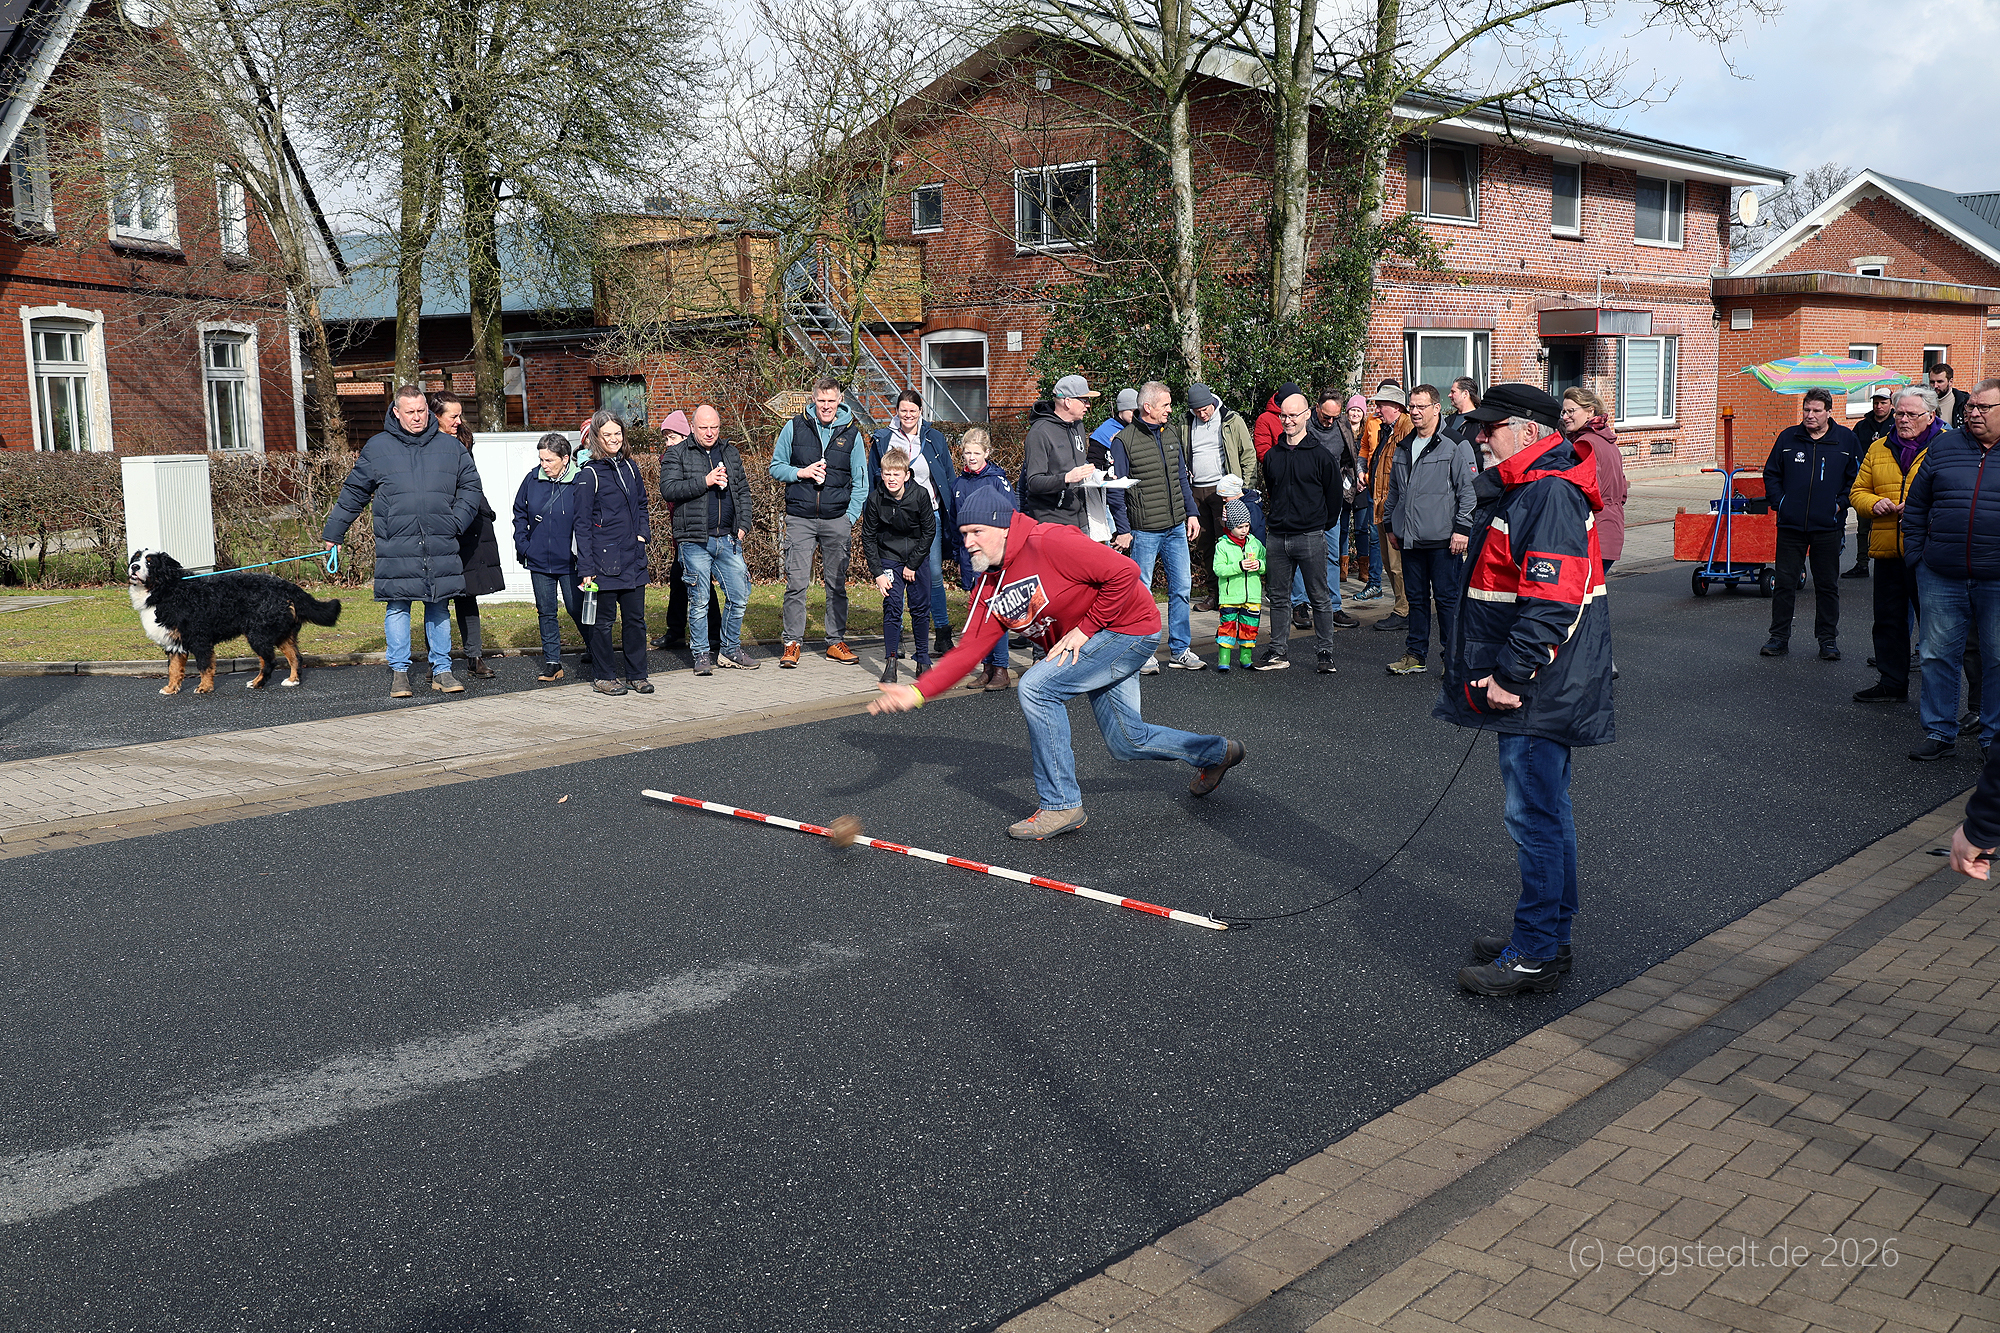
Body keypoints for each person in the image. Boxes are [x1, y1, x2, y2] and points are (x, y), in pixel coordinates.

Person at [867, 489, 1244, 841]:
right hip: (1097, 642)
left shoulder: (1049, 541)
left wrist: (1085, 629)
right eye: (964, 534)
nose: (968, 543)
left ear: (1003, 526)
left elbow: (1124, 573)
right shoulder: (988, 588)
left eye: (977, 532)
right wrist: (917, 692)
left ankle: (1061, 805)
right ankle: (1217, 753)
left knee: (1036, 687)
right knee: (1127, 741)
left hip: (1128, 629)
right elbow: (969, 651)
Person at [1441, 383, 1613, 997]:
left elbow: (1552, 601)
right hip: (1543, 682)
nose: (1481, 436)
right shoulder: (1532, 486)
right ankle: (1548, 937)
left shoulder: (1548, 492)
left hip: (1536, 687)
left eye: (1492, 427)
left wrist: (1511, 675)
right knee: (1547, 813)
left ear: (1532, 431)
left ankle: (1535, 950)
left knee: (1533, 818)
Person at [321, 385, 486, 698]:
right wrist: (334, 533)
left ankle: (442, 670)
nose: (417, 417)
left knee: (438, 605)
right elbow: (355, 492)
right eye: (410, 412)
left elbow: (471, 486)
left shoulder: (450, 447)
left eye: (421, 410)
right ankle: (399, 673)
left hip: (439, 541)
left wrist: (456, 522)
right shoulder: (378, 447)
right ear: (396, 412)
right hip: (396, 543)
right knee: (398, 607)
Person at [1899, 379, 2000, 760]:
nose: (1973, 413)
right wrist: (1917, 557)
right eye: (1970, 406)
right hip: (1941, 573)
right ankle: (1940, 732)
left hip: (1996, 577)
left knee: (1997, 658)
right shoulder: (1944, 446)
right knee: (1936, 655)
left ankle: (1993, 739)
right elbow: (1917, 505)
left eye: (1983, 408)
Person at [1851, 386, 1945, 705]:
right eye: (1899, 413)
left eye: (1911, 414)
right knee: (1888, 620)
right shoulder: (1879, 447)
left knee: (1934, 627)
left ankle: (1938, 698)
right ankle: (1892, 683)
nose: (1902, 419)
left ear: (1930, 416)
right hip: (1888, 548)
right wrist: (1873, 503)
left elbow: (1956, 495)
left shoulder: (1947, 446)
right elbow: (1858, 491)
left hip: (1929, 552)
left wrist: (1921, 509)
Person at [770, 378, 869, 667]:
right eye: (821, 400)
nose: (826, 406)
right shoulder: (794, 426)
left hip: (836, 519)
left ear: (839, 401)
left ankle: (835, 641)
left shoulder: (852, 433)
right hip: (800, 518)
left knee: (836, 585)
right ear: (813, 399)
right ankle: (792, 643)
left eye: (831, 400)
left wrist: (849, 518)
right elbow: (776, 467)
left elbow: (861, 481)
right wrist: (801, 473)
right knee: (796, 584)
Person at [1760, 389, 1863, 661]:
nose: (1810, 415)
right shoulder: (1788, 438)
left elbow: (1858, 478)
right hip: (1791, 526)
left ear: (1829, 411)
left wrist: (1839, 504)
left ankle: (1827, 640)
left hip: (1828, 526)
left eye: (1816, 410)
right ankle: (1779, 637)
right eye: (1806, 410)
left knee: (1827, 585)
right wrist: (1781, 503)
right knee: (1785, 583)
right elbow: (1771, 474)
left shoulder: (1846, 440)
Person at [1383, 384, 1475, 676]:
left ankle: (1452, 658)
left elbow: (1469, 491)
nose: (1415, 411)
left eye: (1421, 406)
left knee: (1447, 601)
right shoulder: (1404, 445)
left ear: (1436, 408)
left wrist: (1462, 529)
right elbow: (1394, 491)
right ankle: (1415, 655)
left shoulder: (1455, 444)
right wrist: (1389, 525)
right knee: (1417, 600)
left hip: (1444, 540)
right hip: (1409, 538)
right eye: (1412, 406)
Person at [660, 404, 756, 676]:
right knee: (700, 600)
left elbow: (743, 490)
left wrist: (743, 524)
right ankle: (701, 654)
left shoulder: (730, 452)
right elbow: (669, 489)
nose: (710, 432)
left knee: (739, 595)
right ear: (692, 427)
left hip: (728, 538)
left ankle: (730, 649)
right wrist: (705, 480)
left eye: (714, 427)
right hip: (694, 540)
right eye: (704, 427)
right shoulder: (677, 453)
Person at [1254, 390, 1342, 675]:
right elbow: (1273, 489)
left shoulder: (1321, 456)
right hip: (1278, 536)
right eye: (1284, 415)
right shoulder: (1272, 456)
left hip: (1310, 536)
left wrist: (1319, 525)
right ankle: (1278, 651)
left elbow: (1334, 498)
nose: (1288, 420)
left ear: (1307, 415)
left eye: (1293, 415)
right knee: (1279, 598)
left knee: (1319, 597)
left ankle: (1325, 651)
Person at [1118, 381, 1203, 673]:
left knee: (1182, 588)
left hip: (1176, 526)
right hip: (1144, 529)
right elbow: (1117, 491)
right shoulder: (1124, 441)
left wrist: (1191, 513)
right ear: (1148, 407)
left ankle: (1180, 650)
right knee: (1142, 593)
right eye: (1165, 405)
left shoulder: (1171, 433)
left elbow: (1181, 478)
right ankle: (1144, 653)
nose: (1169, 410)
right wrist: (1124, 529)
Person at [868, 390, 958, 655]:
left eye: (913, 411)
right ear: (896, 411)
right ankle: (897, 638)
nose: (908, 415)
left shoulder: (934, 438)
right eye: (903, 410)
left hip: (929, 514)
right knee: (894, 578)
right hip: (892, 518)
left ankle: (942, 633)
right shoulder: (883, 438)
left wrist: (954, 509)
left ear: (921, 411)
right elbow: (874, 478)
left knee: (933, 574)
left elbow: (948, 475)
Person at [426, 391, 505, 681]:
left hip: (468, 525)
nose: (459, 421)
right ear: (436, 417)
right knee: (436, 596)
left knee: (467, 593)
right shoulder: (422, 444)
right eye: (453, 416)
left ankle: (474, 656)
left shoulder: (463, 442)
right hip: (438, 525)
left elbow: (471, 485)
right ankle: (437, 662)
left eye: (461, 415)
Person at [576, 409, 653, 695]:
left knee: (635, 621)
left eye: (617, 433)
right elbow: (582, 524)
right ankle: (604, 676)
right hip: (602, 563)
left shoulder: (631, 467)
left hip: (633, 558)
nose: (613, 439)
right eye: (607, 434)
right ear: (596, 437)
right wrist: (586, 568)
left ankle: (637, 675)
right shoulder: (589, 474)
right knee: (603, 623)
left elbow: (642, 504)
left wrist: (642, 535)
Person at [512, 431, 589, 682]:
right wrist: (524, 544)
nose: (544, 465)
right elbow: (519, 512)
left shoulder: (581, 480)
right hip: (538, 560)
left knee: (576, 608)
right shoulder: (532, 479)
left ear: (565, 458)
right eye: (541, 459)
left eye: (549, 460)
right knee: (546, 612)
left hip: (570, 561)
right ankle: (552, 662)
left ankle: (596, 649)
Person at [862, 447, 938, 685]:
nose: (892, 479)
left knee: (920, 608)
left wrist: (913, 564)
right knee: (893, 606)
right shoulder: (875, 499)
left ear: (907, 475)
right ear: (882, 474)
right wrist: (877, 573)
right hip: (889, 557)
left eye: (896, 474)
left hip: (917, 557)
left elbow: (929, 531)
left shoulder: (920, 495)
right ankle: (891, 660)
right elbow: (868, 537)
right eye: (887, 474)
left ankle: (923, 659)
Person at [949, 427, 1016, 691]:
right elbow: (954, 524)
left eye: (976, 453)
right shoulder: (959, 484)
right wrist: (958, 556)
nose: (972, 457)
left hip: (993, 558)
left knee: (996, 612)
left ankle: (1001, 668)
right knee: (978, 614)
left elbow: (1012, 517)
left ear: (987, 453)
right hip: (970, 558)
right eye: (967, 453)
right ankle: (986, 668)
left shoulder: (997, 481)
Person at [1184, 381, 1258, 611]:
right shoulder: (1186, 423)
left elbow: (1248, 454)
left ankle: (1232, 594)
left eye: (1205, 409)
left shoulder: (1231, 420)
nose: (1202, 414)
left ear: (1212, 403)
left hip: (1224, 492)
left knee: (1227, 541)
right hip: (1196, 491)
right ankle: (1213, 594)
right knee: (1204, 544)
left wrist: (1244, 490)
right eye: (1197, 411)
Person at [654, 408, 720, 656]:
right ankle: (677, 630)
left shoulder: (695, 460)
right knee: (679, 581)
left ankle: (713, 633)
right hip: (681, 535)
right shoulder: (670, 460)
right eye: (666, 438)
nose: (668, 443)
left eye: (672, 437)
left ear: (685, 436)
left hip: (697, 534)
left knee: (701, 584)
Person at [1305, 386, 1362, 628]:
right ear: (1317, 408)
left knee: (1332, 554)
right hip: (1306, 499)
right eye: (1326, 416)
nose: (1329, 422)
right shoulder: (1304, 426)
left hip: (1332, 500)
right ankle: (1300, 605)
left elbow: (1349, 457)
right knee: (1302, 552)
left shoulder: (1342, 425)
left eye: (1335, 417)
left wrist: (1349, 480)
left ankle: (1334, 607)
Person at [1364, 383, 1414, 632]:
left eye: (1381, 405)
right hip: (1383, 507)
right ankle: (1403, 607)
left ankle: (1405, 611)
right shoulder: (1389, 429)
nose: (1377, 410)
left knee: (1397, 565)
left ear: (1396, 407)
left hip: (1395, 510)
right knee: (1389, 563)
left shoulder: (1406, 429)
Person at [1561, 388, 1625, 575]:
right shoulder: (1607, 441)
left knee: (1580, 590)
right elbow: (1622, 493)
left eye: (1571, 411)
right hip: (1612, 531)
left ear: (1590, 412)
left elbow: (1583, 493)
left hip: (1592, 533)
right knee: (1592, 590)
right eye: (1563, 412)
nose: (1565, 417)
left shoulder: (1584, 444)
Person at [1020, 373, 1097, 528]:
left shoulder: (1078, 425)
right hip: (1053, 522)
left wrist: (1099, 476)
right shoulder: (1040, 432)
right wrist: (1066, 478)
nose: (1088, 405)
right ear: (1068, 402)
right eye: (1084, 400)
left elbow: (1079, 465)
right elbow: (1034, 482)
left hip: (1081, 518)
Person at [1845, 389, 1897, 579]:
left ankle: (1891, 563)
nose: (1878, 406)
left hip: (1889, 481)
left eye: (1883, 403)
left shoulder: (1896, 424)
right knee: (1863, 526)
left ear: (1891, 404)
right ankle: (1862, 563)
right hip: (1867, 482)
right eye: (1876, 402)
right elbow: (1852, 451)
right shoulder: (1862, 426)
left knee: (1888, 525)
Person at [1212, 497, 1264, 672]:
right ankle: (1224, 658)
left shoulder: (1255, 543)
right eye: (1239, 527)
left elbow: (1267, 562)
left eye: (1247, 526)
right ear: (1230, 526)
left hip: (1252, 596)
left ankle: (1245, 657)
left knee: (1249, 627)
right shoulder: (1222, 545)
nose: (1244, 530)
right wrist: (1238, 566)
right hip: (1230, 596)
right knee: (1227, 627)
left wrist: (1260, 565)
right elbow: (1218, 569)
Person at [1345, 393, 1385, 601]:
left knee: (1365, 530)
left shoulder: (1401, 424)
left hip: (1372, 487)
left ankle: (1366, 570)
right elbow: (1363, 452)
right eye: (1352, 409)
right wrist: (1359, 475)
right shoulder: (1366, 423)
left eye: (1358, 410)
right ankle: (1350, 571)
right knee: (1356, 531)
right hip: (1356, 485)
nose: (1355, 413)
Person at [1085, 390, 1135, 551]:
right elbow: (1094, 465)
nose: (1135, 414)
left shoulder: (1135, 429)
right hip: (1108, 498)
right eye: (1131, 410)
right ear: (1122, 409)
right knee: (1111, 545)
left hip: (1130, 495)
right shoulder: (1104, 432)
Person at [1930, 363, 1970, 432]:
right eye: (1932, 382)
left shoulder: (1965, 402)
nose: (1935, 386)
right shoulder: (1923, 402)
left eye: (1940, 382)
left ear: (1950, 382)